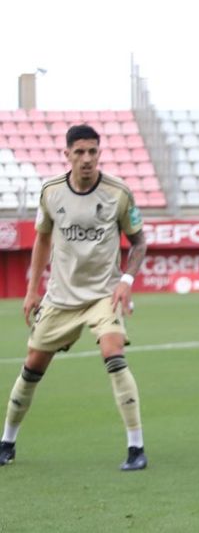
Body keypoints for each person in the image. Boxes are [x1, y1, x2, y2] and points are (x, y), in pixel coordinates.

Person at [2, 124, 149, 470]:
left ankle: (136, 448)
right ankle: (6, 441)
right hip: (60, 297)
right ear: (66, 155)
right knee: (33, 366)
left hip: (102, 295)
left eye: (92, 151)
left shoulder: (118, 193)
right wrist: (31, 290)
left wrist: (126, 279)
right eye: (79, 152)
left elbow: (139, 241)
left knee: (113, 353)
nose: (86, 159)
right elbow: (41, 239)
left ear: (100, 153)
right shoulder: (51, 191)